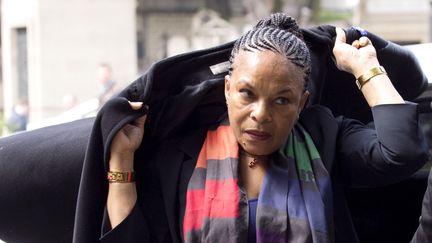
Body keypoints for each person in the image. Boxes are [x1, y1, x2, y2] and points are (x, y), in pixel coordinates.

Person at [79, 13, 428, 242]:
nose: (261, 114)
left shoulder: (324, 137)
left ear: (301, 104)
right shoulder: (181, 155)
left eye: (282, 100)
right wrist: (121, 161)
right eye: (248, 93)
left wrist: (365, 66)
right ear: (228, 89)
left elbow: (402, 151)